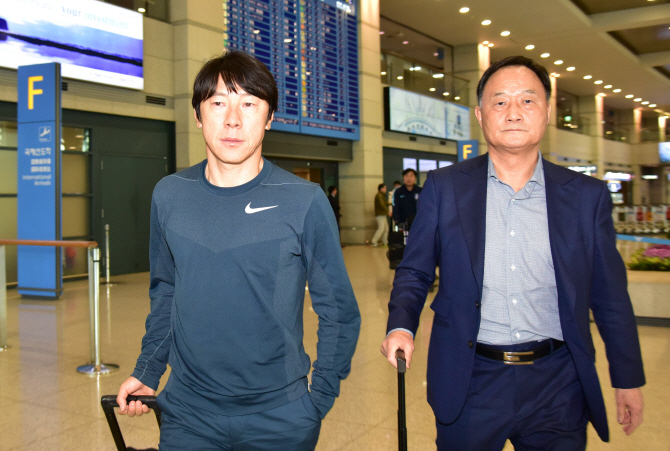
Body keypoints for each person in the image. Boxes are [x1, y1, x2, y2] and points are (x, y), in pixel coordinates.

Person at [380, 55, 645, 450]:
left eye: (528, 100)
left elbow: (609, 295)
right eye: (500, 101)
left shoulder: (585, 198)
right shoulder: (445, 188)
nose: (514, 112)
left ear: (548, 112)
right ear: (480, 114)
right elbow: (416, 270)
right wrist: (401, 324)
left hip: (559, 382)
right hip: (471, 378)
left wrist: (626, 377)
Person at [115, 50, 361, 450]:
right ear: (197, 115)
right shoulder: (170, 195)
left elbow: (338, 309)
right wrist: (148, 370)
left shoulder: (303, 200)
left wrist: (316, 401)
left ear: (269, 117)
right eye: (217, 103)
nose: (232, 118)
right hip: (188, 414)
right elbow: (165, 293)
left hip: (280, 417)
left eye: (249, 103)